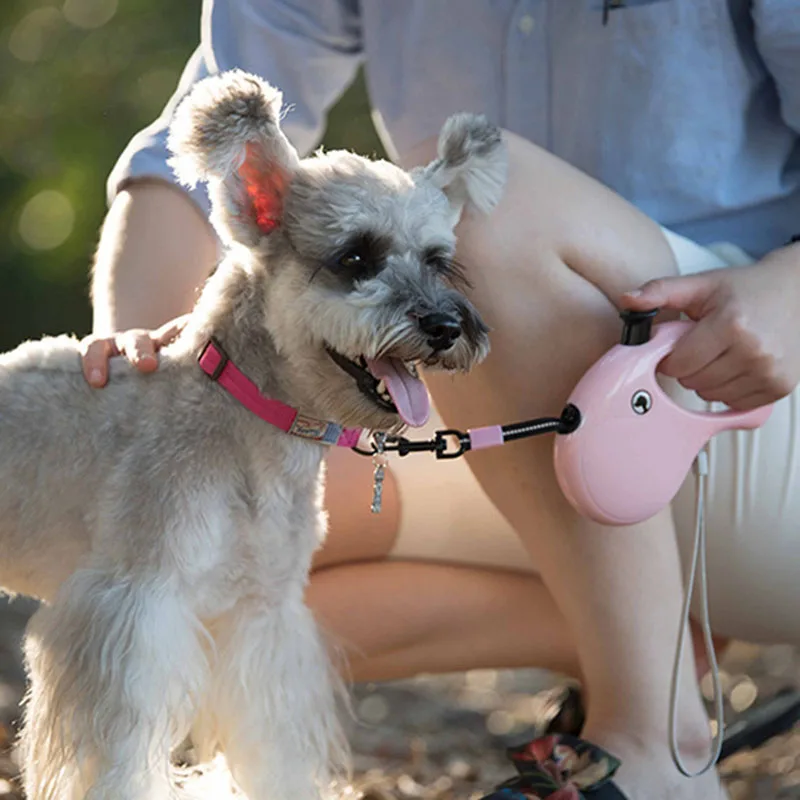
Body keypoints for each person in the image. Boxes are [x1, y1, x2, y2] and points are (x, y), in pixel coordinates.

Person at [83, 2, 800, 798]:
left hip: (744, 393)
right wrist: (143, 383)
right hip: (509, 419)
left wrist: (789, 288)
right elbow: (192, 146)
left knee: (489, 204)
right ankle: (644, 637)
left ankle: (654, 744)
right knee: (189, 556)